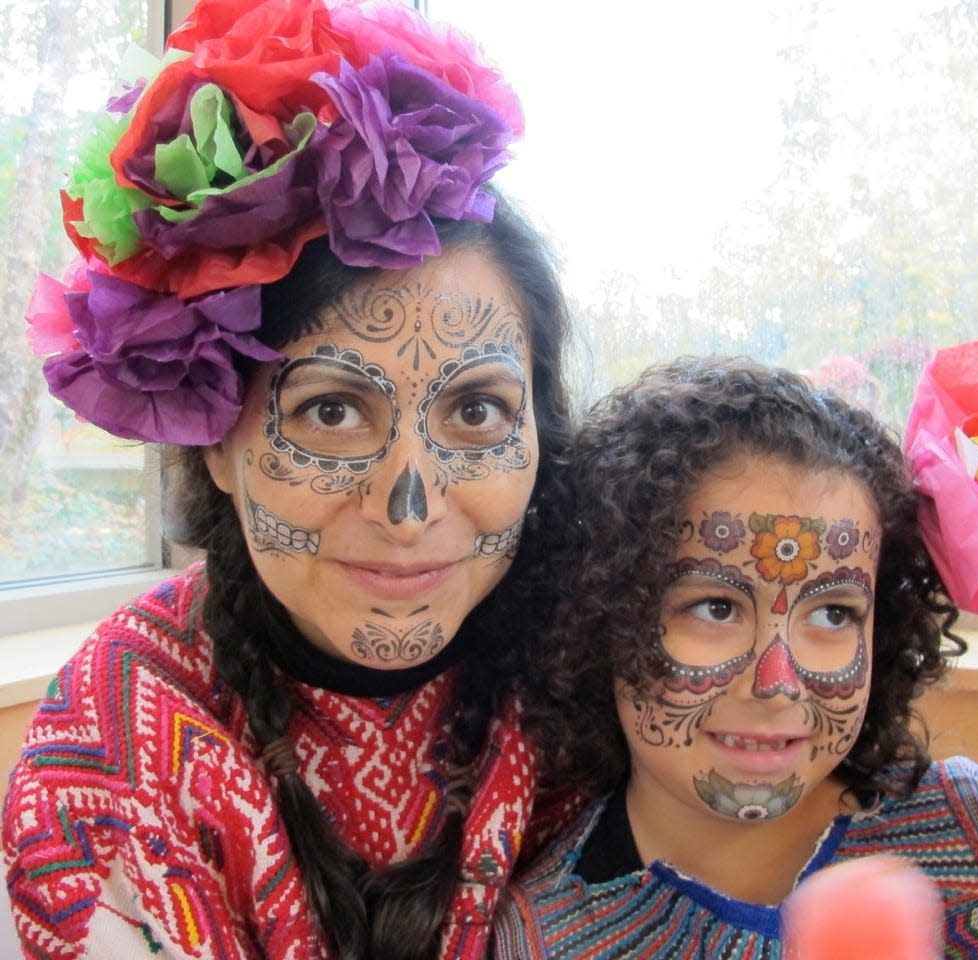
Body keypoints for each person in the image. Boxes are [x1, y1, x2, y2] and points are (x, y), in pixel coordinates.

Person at [4, 1, 573, 958]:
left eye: (475, 411)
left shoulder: (592, 681)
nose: (410, 508)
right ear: (215, 436)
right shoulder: (109, 747)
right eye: (332, 412)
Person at [492, 353, 978, 958]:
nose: (779, 683)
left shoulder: (974, 827)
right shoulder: (537, 939)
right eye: (715, 607)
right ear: (600, 616)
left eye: (832, 614)